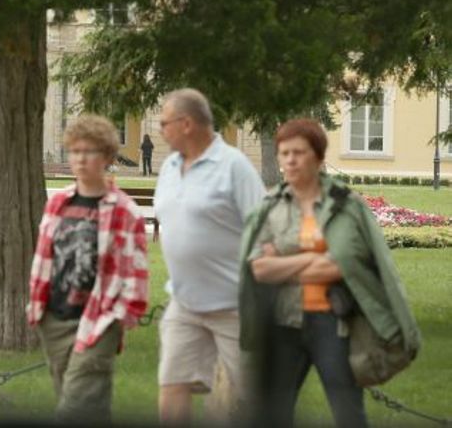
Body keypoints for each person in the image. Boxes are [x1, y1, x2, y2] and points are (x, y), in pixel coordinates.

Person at [240, 118, 419, 428]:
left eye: (299, 152)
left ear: (319, 157)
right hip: (285, 323)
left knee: (348, 413)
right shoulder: (271, 208)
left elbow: (344, 264)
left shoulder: (347, 206)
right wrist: (315, 259)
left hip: (333, 324)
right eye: (284, 153)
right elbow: (260, 268)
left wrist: (285, 263)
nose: (290, 160)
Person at [28, 114, 150, 423]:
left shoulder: (124, 210)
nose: (81, 159)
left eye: (90, 152)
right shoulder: (58, 203)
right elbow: (44, 258)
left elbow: (136, 269)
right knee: (83, 406)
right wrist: (37, 307)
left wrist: (123, 315)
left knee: (77, 409)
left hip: (99, 319)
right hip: (54, 318)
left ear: (107, 157)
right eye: (75, 151)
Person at [153, 88, 264, 423]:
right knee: (172, 383)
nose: (160, 130)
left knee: (251, 397)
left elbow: (262, 230)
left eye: (164, 123)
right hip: (184, 302)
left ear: (186, 123)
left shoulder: (234, 166)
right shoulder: (170, 166)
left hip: (234, 305)